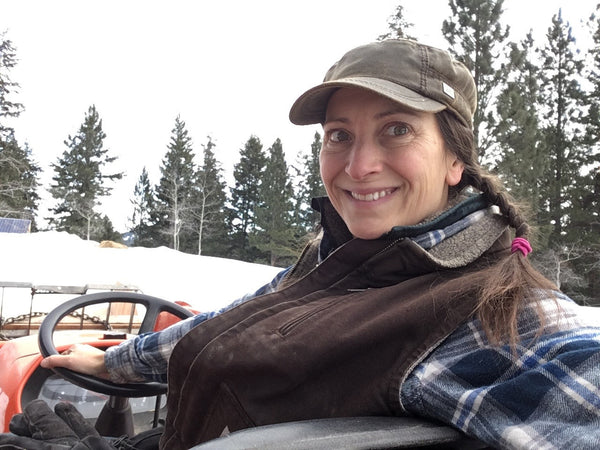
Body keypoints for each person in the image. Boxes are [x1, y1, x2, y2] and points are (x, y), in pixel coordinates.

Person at [5, 39, 600, 449]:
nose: (360, 164)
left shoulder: (494, 313)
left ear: (455, 161)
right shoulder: (339, 264)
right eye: (339, 136)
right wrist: (115, 362)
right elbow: (239, 319)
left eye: (397, 130)